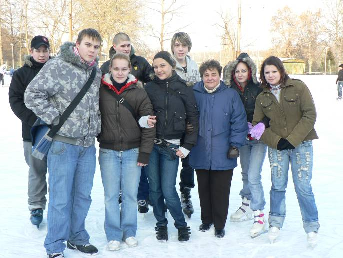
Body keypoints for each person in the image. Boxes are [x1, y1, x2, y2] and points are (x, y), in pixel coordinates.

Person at [24, 28, 102, 258]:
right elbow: (32, 94)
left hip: (87, 145)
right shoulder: (58, 65)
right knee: (60, 198)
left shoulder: (95, 72)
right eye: (88, 45)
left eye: (96, 47)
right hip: (63, 144)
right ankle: (55, 245)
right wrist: (55, 118)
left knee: (82, 196)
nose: (92, 50)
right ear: (77, 44)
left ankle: (77, 237)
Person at [253, 56, 319, 246]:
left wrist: (292, 140)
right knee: (278, 185)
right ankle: (275, 223)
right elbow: (257, 126)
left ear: (281, 71)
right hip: (278, 147)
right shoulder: (262, 97)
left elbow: (310, 114)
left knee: (303, 186)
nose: (271, 75)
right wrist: (277, 141)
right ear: (263, 75)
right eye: (267, 72)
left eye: (274, 71)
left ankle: (311, 225)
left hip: (302, 144)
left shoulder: (298, 87)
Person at [98, 53, 156, 251]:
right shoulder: (101, 90)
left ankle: (129, 231)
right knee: (111, 195)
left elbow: (149, 123)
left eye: (124, 69)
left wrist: (145, 152)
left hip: (133, 150)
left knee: (130, 195)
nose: (120, 72)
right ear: (110, 69)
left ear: (129, 69)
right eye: (116, 69)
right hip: (108, 151)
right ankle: (114, 234)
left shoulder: (138, 92)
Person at [189, 60, 247, 238]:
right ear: (202, 77)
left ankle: (220, 224)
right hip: (200, 149)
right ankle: (206, 220)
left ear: (219, 75)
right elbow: (187, 117)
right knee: (203, 189)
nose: (210, 78)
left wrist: (235, 144)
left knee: (221, 190)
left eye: (213, 74)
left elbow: (239, 121)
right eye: (206, 75)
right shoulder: (194, 93)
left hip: (223, 151)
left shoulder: (230, 95)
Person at [144, 51, 199, 242]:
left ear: (171, 65)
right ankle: (161, 224)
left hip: (172, 147)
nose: (158, 69)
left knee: (168, 189)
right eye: (156, 66)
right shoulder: (149, 88)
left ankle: (181, 225)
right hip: (151, 145)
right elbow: (142, 114)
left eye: (162, 65)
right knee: (155, 190)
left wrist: (187, 145)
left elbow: (193, 119)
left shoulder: (184, 88)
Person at [100, 32, 153, 213]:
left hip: (134, 134)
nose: (126, 48)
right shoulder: (103, 77)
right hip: (110, 143)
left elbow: (152, 80)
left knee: (138, 177)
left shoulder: (141, 63)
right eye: (123, 46)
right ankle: (114, 231)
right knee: (112, 194)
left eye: (128, 45)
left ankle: (142, 197)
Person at [223, 53, 268, 237]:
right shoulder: (230, 90)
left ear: (250, 72)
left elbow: (268, 110)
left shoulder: (258, 89)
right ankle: (246, 204)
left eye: (244, 71)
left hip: (257, 139)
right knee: (245, 173)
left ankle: (259, 215)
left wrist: (261, 123)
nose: (240, 74)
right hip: (242, 137)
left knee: (254, 175)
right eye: (237, 71)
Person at [9, 36, 50, 228]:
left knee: (60, 171)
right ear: (32, 51)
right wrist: (33, 119)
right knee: (36, 169)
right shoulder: (21, 74)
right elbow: (15, 99)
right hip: (32, 132)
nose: (42, 54)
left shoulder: (56, 71)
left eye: (45, 50)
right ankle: (36, 205)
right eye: (38, 50)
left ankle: (61, 206)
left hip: (57, 131)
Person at [170, 32, 201, 218]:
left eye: (184, 45)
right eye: (177, 45)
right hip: (173, 121)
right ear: (172, 47)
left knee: (188, 162)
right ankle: (167, 194)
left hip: (190, 120)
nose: (180, 49)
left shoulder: (194, 66)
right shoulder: (169, 65)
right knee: (169, 160)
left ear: (188, 47)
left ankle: (185, 192)